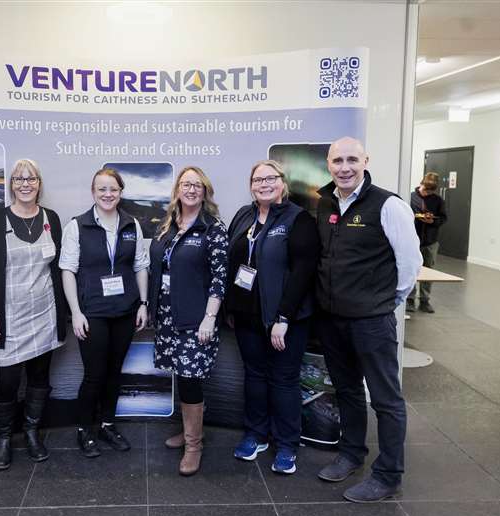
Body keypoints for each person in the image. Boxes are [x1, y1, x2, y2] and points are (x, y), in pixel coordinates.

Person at [315, 137, 422, 503]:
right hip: (332, 320)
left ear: (365, 161)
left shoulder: (388, 205)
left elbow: (410, 263)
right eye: (337, 160)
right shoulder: (326, 202)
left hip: (371, 321)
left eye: (351, 160)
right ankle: (350, 454)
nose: (344, 167)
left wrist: (390, 301)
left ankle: (388, 475)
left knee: (386, 399)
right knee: (345, 391)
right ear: (328, 164)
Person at [226, 160, 319, 474]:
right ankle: (256, 434)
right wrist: (230, 308)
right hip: (247, 315)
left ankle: (287, 444)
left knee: (283, 379)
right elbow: (232, 263)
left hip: (284, 319)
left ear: (282, 182)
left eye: (270, 178)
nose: (263, 184)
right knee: (254, 375)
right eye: (257, 179)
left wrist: (284, 318)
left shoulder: (299, 219)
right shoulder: (243, 216)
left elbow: (303, 274)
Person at [0, 158, 66, 469]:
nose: (25, 184)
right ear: (12, 184)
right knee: (7, 382)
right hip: (8, 317)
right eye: (19, 179)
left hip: (44, 313)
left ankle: (31, 432)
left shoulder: (51, 219)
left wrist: (64, 314)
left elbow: (56, 268)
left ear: (39, 184)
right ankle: (4, 438)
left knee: (40, 378)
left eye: (31, 178)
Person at [59, 168, 149, 457]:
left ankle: (108, 425)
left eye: (113, 189)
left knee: (114, 373)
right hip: (92, 312)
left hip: (124, 311)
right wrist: (76, 312)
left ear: (120, 192)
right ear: (93, 192)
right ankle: (85, 429)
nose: (108, 194)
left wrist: (143, 303)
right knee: (94, 375)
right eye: (102, 189)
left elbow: (140, 266)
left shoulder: (131, 224)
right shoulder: (78, 226)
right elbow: (67, 270)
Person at [148, 166, 228, 476]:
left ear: (205, 191)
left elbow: (220, 279)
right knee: (182, 375)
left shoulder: (213, 228)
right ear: (177, 190)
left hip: (196, 316)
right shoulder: (167, 225)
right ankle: (189, 430)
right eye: (185, 184)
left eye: (197, 185)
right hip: (168, 312)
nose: (191, 189)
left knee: (192, 377)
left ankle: (194, 445)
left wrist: (209, 317)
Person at [406, 172, 447, 314]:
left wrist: (432, 221)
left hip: (430, 240)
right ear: (421, 184)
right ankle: (409, 299)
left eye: (430, 190)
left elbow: (443, 218)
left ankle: (424, 300)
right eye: (425, 189)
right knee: (412, 270)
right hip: (412, 239)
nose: (427, 192)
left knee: (429, 270)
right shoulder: (410, 197)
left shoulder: (438, 200)